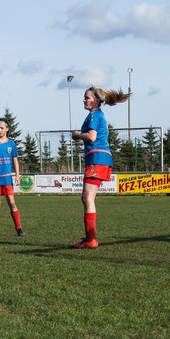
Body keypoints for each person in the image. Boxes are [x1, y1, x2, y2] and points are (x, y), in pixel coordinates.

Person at [70, 86, 129, 249]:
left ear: (96, 100)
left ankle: (91, 240)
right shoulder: (98, 115)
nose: (84, 100)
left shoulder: (94, 115)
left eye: (87, 97)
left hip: (97, 158)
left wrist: (77, 135)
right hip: (100, 158)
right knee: (88, 198)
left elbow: (91, 136)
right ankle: (90, 238)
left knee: (87, 198)